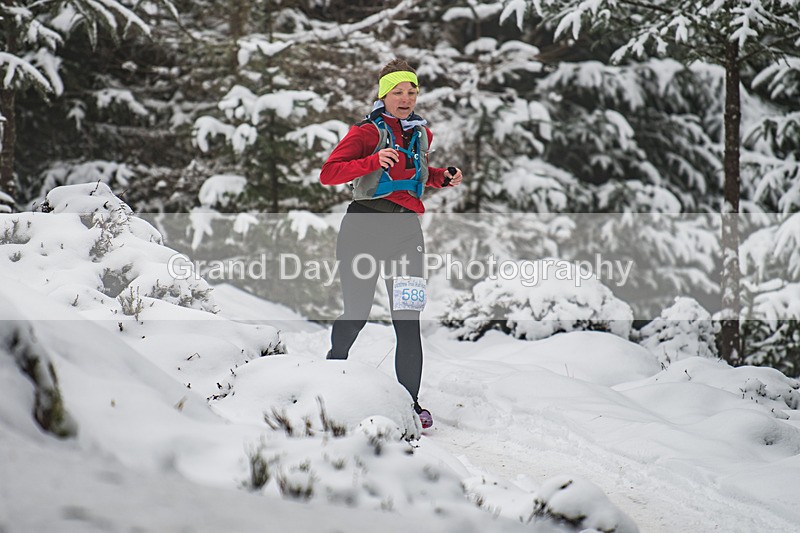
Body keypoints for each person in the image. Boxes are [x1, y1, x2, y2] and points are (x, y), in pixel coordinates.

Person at [320, 58, 463, 429]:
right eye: (397, 92)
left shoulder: (420, 134)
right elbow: (329, 173)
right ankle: (330, 373)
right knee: (357, 314)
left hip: (405, 235)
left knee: (407, 320)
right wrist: (371, 161)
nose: (405, 98)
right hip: (363, 229)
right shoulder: (366, 132)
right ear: (384, 95)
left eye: (411, 92)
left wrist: (441, 177)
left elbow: (414, 175)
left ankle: (410, 405)